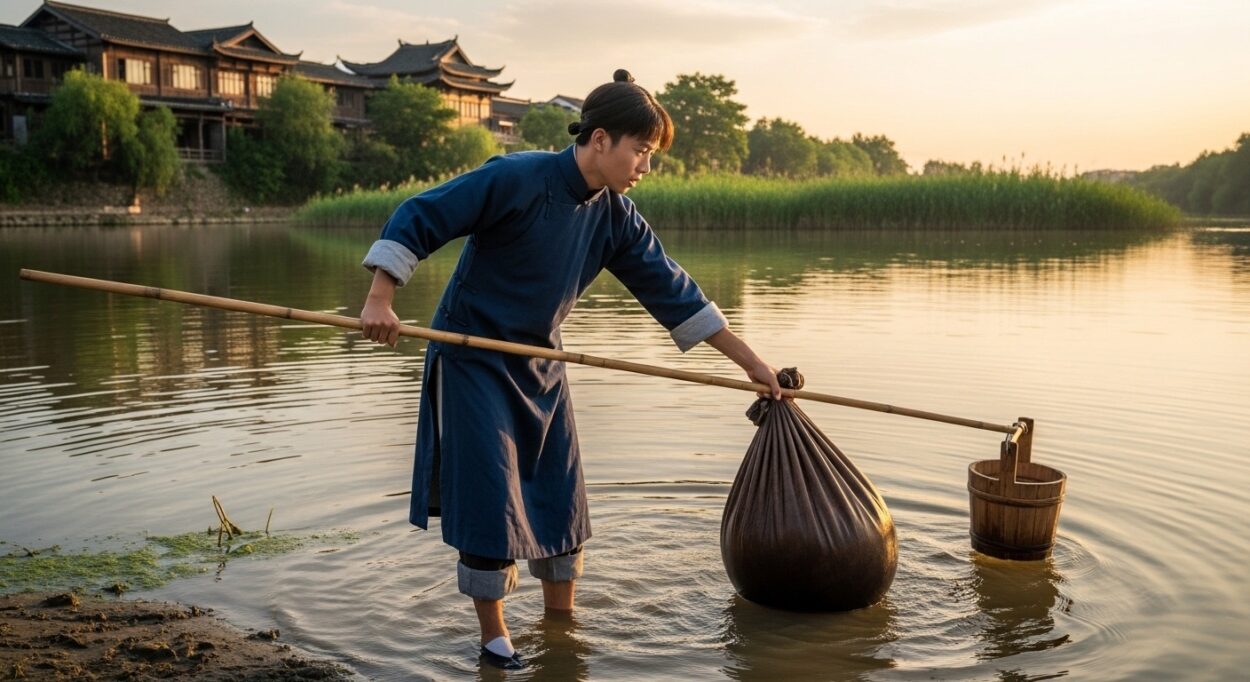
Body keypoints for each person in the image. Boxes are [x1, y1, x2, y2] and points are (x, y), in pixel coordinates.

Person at [359, 69, 781, 670]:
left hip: (542, 364)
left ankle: (561, 627)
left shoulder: (617, 217)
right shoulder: (515, 177)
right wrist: (381, 298)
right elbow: (421, 214)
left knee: (560, 498)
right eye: (641, 151)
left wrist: (753, 364)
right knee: (491, 501)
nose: (646, 166)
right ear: (601, 139)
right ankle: (494, 640)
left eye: (652, 155)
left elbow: (676, 293)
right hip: (474, 359)